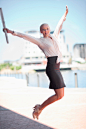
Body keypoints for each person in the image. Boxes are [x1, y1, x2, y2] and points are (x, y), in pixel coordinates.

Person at [3, 5, 68, 120]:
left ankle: (39, 107)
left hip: (57, 67)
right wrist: (11, 32)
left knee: (61, 95)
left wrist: (64, 15)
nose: (46, 30)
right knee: (59, 95)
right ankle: (39, 108)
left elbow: (59, 25)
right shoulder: (40, 41)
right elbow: (25, 36)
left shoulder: (54, 36)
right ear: (41, 31)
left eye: (47, 28)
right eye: (43, 29)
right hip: (52, 67)